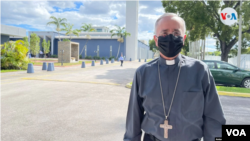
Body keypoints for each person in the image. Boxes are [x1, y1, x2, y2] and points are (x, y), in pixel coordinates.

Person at [123, 13, 226, 141]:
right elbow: (134, 117)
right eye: (164, 33)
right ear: (156, 40)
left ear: (184, 38)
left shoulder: (200, 70)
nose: (170, 37)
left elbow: (213, 117)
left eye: (176, 33)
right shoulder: (143, 73)